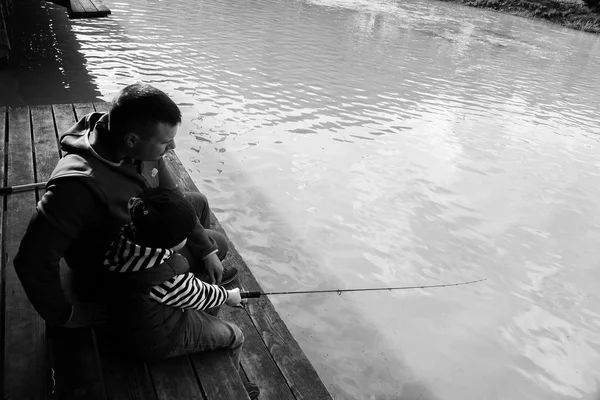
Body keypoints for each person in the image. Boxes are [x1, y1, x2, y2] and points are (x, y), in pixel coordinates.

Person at [14, 82, 237, 329]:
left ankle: (181, 284)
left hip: (135, 229)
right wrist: (63, 314)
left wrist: (207, 252)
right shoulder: (75, 186)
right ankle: (174, 298)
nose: (172, 148)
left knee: (200, 206)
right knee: (221, 242)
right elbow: (31, 261)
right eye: (166, 142)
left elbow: (176, 196)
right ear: (132, 140)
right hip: (112, 265)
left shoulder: (140, 151)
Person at [102, 187, 259, 399]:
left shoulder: (126, 239)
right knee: (235, 336)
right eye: (186, 235)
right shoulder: (163, 275)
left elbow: (186, 289)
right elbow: (200, 295)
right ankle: (236, 388)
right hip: (156, 338)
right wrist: (229, 296)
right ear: (172, 242)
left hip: (133, 318)